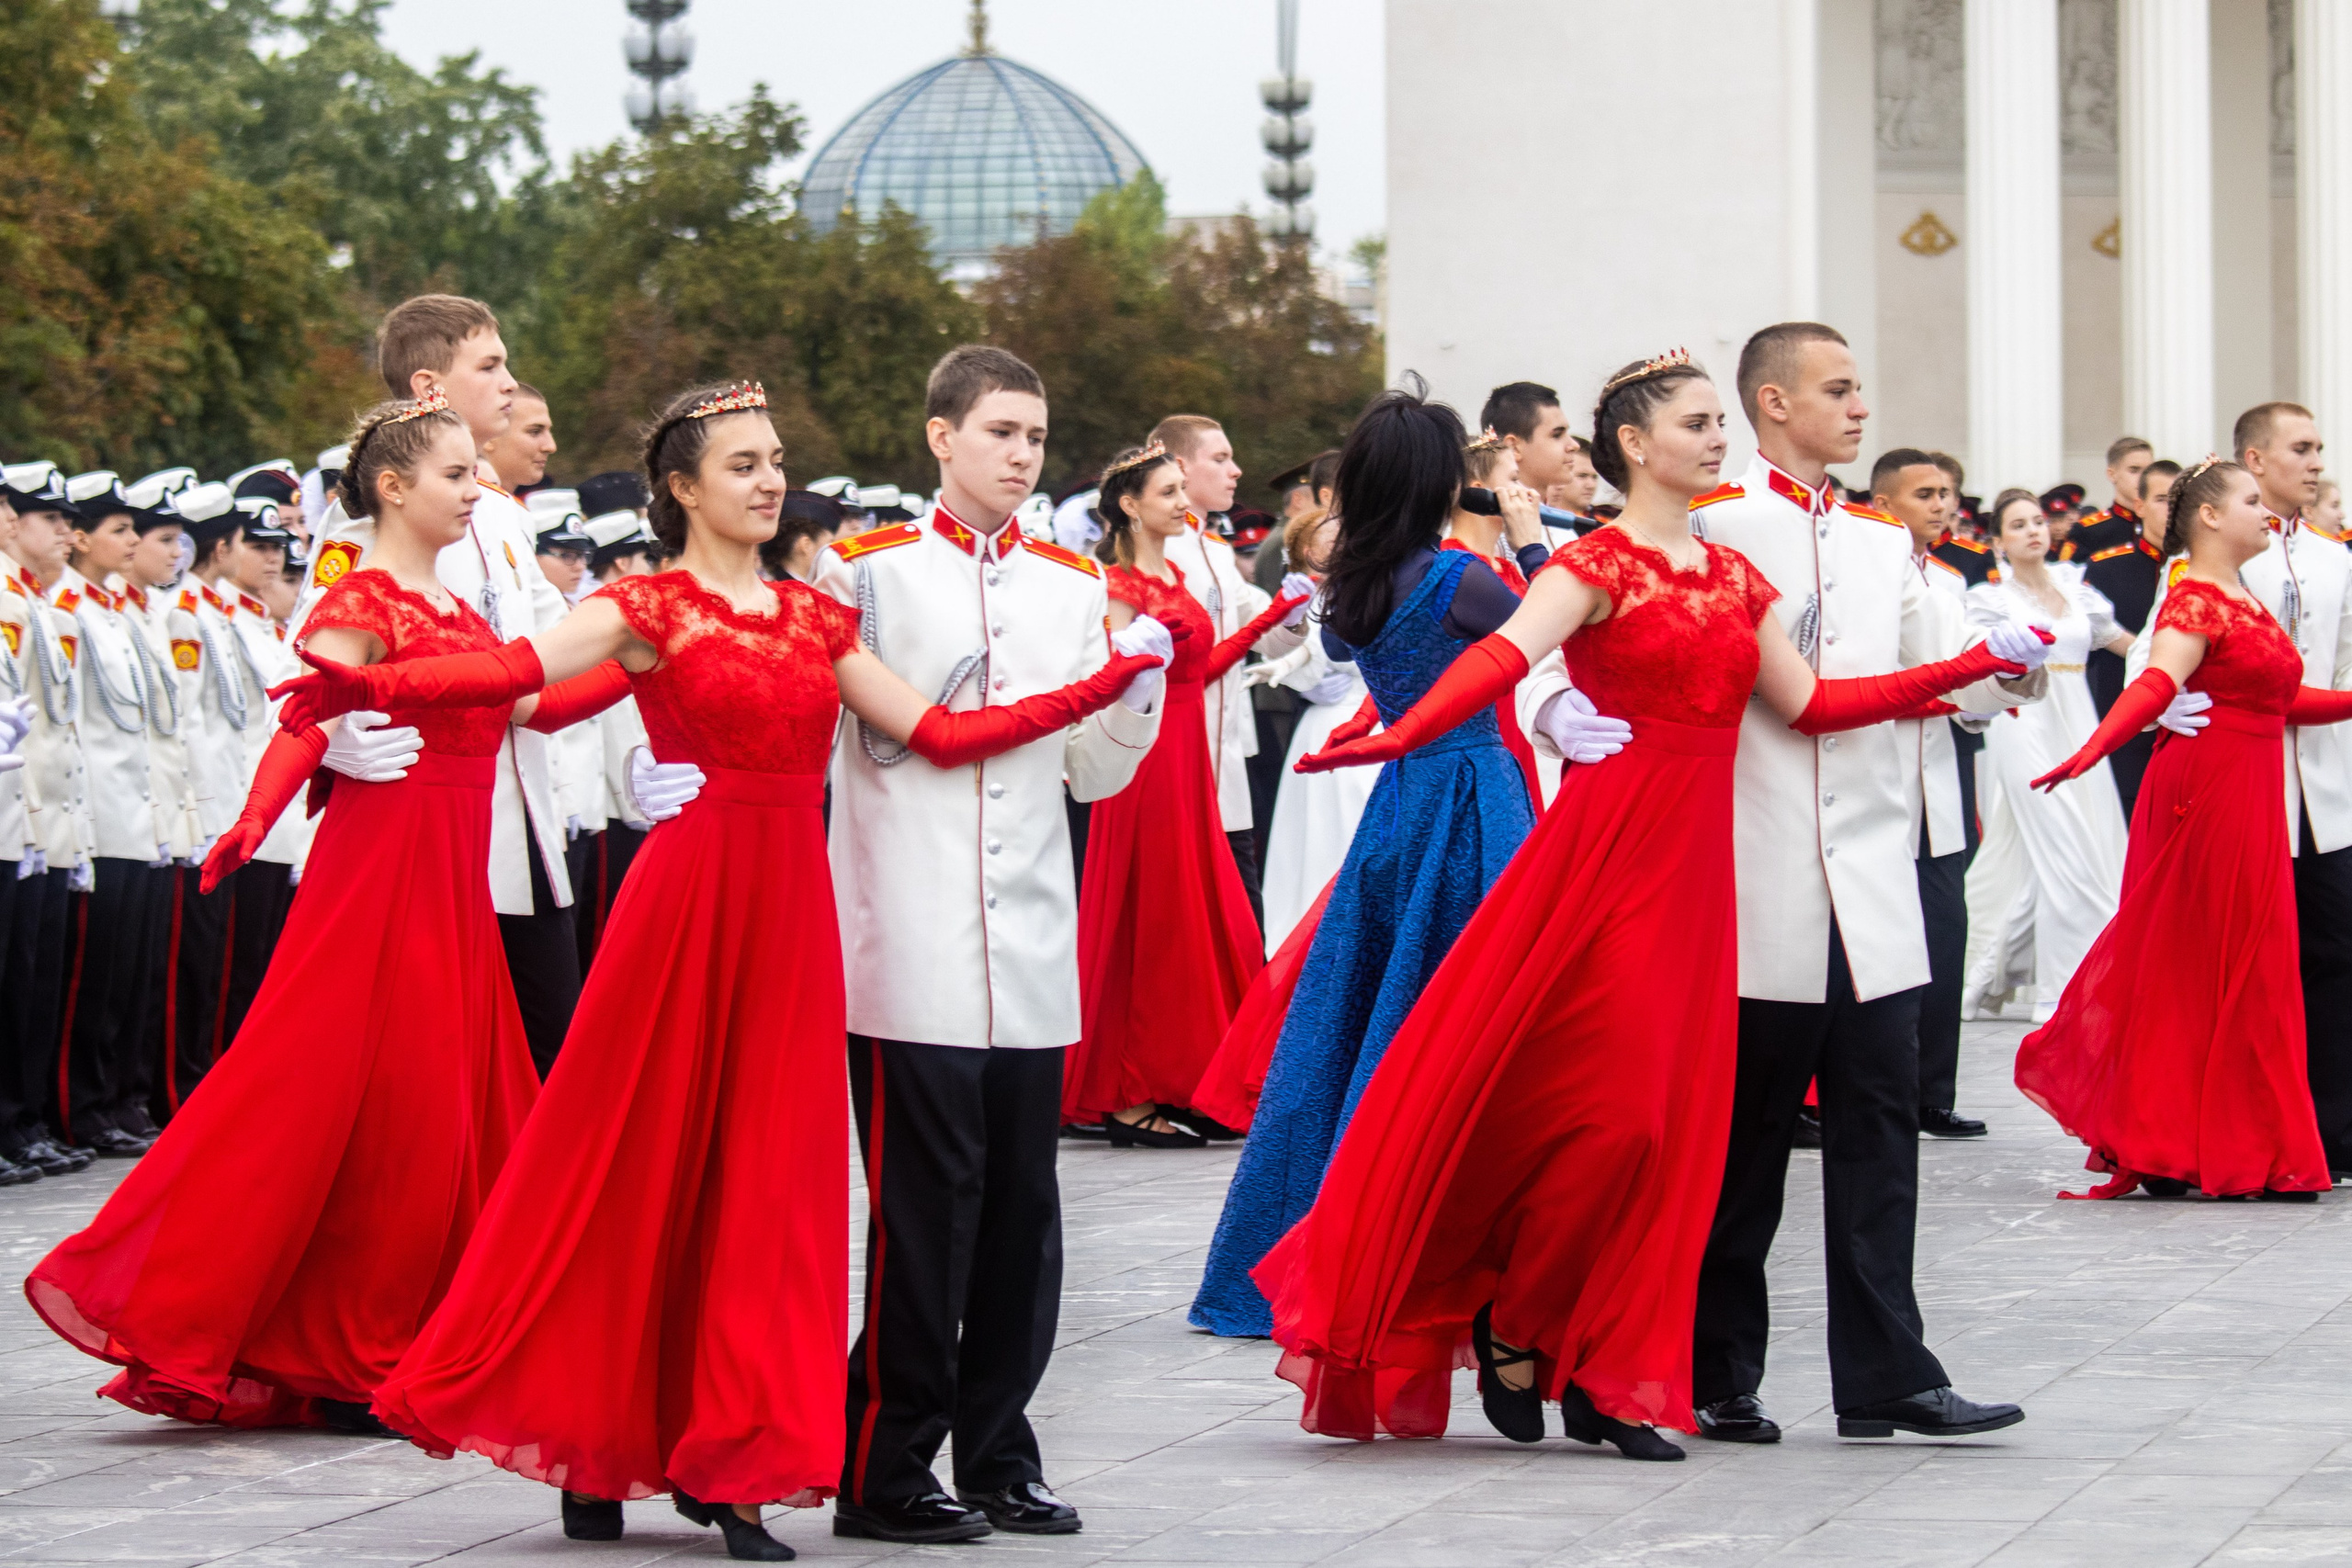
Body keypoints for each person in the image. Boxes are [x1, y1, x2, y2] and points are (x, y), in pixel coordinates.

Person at [334, 379, 1160, 1559]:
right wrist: (359, 689)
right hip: (683, 912)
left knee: (768, 1194)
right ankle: (597, 1437)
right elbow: (518, 691)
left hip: (791, 923)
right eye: (742, 465)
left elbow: (939, 735)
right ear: (680, 487)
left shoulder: (816, 617)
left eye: (776, 461)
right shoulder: (647, 603)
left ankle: (731, 1459)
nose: (771, 481)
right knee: (637, 1168)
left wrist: (1108, 680)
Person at [1251, 351, 2035, 1460]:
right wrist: (1396, 734)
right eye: (1698, 422)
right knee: (1610, 1115)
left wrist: (1966, 666)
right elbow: (1504, 661)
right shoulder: (1594, 561)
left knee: (1666, 1133)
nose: (1717, 439)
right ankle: (1535, 1325)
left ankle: (1596, 1366)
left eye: (1722, 421)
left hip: (1703, 875)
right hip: (1612, 853)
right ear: (1634, 443)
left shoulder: (1733, 574)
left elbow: (1813, 705)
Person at [25, 390, 546, 1438]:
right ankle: (350, 1344)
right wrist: (257, 817)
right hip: (383, 870)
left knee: (448, 1101)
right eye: (455, 474)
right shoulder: (366, 594)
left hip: (449, 877)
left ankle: (427, 1326)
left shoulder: (455, 608)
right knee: (355, 1096)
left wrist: (659, 670)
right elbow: (308, 718)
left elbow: (533, 692)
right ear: (394, 487)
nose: (473, 490)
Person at [814, 346, 1167, 1545]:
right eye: (1000, 431)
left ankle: (1000, 1449)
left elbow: (1094, 769)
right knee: (925, 1213)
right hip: (905, 934)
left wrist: (1136, 687)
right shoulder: (865, 573)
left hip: (1029, 942)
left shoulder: (1073, 582)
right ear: (940, 437)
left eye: (1035, 435)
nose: (1021, 454)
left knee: (1022, 1210)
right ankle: (885, 1460)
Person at [1690, 322, 2037, 1446]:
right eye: (1837, 391)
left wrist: (2008, 664)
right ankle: (1714, 1366)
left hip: (1876, 870)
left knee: (1881, 1131)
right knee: (1742, 1143)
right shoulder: (1710, 526)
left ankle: (1888, 1370)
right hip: (1756, 867)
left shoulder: (1885, 539)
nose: (1858, 410)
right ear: (1773, 401)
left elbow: (1954, 683)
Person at [1190, 386, 1585, 1339]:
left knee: (1357, 1017)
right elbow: (1561, 623)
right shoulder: (1459, 581)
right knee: (1472, 1017)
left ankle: (1294, 1247)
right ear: (1442, 480)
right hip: (1479, 793)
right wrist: (1532, 539)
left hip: (1399, 806)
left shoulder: (1356, 588)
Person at [2021, 456, 2350, 1199]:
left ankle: (2241, 1140)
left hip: (2251, 785)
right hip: (2207, 791)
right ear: (2208, 515)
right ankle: (2183, 1142)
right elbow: (2157, 681)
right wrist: (2092, 748)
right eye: (2249, 500)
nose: (2264, 512)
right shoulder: (2194, 595)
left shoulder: (2242, 595)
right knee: (2203, 958)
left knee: (2251, 962)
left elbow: (2284, 700)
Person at [300, 296, 581, 1077]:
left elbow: (562, 644)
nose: (509, 382)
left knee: (539, 1048)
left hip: (517, 802)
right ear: (429, 386)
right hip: (432, 812)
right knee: (452, 1056)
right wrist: (336, 731)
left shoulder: (499, 514)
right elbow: (308, 651)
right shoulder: (366, 517)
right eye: (489, 366)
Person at [2130, 403, 2352, 1178]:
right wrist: (2176, 705)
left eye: (2320, 448)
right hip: (2231, 780)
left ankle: (2324, 1125)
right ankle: (2200, 1126)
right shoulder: (2209, 558)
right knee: (2219, 959)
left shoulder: (2334, 558)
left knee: (2331, 950)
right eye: (2302, 448)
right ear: (2255, 460)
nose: (2317, 461)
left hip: (2321, 782)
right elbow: (2154, 660)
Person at [1064, 445, 1307, 1145]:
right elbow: (1110, 680)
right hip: (1138, 761)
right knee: (1152, 917)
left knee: (1203, 915)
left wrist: (1267, 622)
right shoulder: (1114, 584)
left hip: (1188, 757)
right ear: (1131, 505)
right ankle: (1131, 1090)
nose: (1182, 501)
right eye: (1167, 491)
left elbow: (1201, 672)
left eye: (1182, 489)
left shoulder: (1178, 575)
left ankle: (1194, 1077)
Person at [1961, 490, 2137, 1025]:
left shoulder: (2078, 589)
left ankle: (1988, 977)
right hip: (2024, 724)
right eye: (2019, 525)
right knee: (2066, 850)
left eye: (2038, 521)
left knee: (2084, 844)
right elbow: (1973, 661)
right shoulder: (1989, 601)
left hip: (2080, 721)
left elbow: (2119, 640)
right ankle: (2072, 988)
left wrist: (2177, 666)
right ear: (1998, 543)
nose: (2035, 531)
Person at [1868, 448, 1989, 1138]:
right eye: (1924, 494)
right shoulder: (1861, 573)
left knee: (1945, 931)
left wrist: (1979, 696)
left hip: (1939, 773)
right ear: (1885, 504)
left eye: (1947, 492)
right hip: (1878, 768)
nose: (1941, 505)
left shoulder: (1947, 576)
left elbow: (1967, 669)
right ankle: (1872, 1089)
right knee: (1881, 941)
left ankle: (1931, 1091)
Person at [1149, 414, 1312, 931]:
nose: (1236, 471)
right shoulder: (1152, 551)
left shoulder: (1217, 552)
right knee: (1185, 918)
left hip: (1225, 760)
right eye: (1219, 459)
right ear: (1177, 465)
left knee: (1240, 916)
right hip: (1173, 759)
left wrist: (1296, 608)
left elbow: (1270, 635)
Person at [0, 464, 76, 1181]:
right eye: (46, 518)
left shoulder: (37, 605)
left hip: (35, 823)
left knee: (30, 981)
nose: (65, 532)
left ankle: (23, 1121)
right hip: (16, 818)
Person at [1250, 509, 1370, 952]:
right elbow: (1309, 649)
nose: (1342, 540)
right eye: (1330, 537)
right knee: (1320, 830)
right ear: (1307, 551)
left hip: (1371, 718)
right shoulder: (1309, 600)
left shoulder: (1365, 588)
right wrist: (1285, 668)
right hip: (1328, 721)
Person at [2083, 458, 2177, 814]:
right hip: (2125, 734)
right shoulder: (2107, 567)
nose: (2173, 510)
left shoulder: (2202, 568)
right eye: (2163, 500)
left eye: (2179, 500)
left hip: (2185, 731)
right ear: (2139, 506)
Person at [2056, 437, 2153, 562]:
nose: (2143, 478)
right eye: (2134, 470)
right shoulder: (2088, 531)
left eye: (2148, 471)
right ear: (2112, 475)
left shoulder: (2160, 527)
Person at [483, 382, 559, 493]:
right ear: (489, 436)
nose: (551, 447)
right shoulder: (467, 508)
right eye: (535, 432)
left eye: (549, 432)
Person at [759, 490, 845, 583]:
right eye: (829, 543)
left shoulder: (775, 586)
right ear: (806, 545)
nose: (834, 552)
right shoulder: (790, 594)